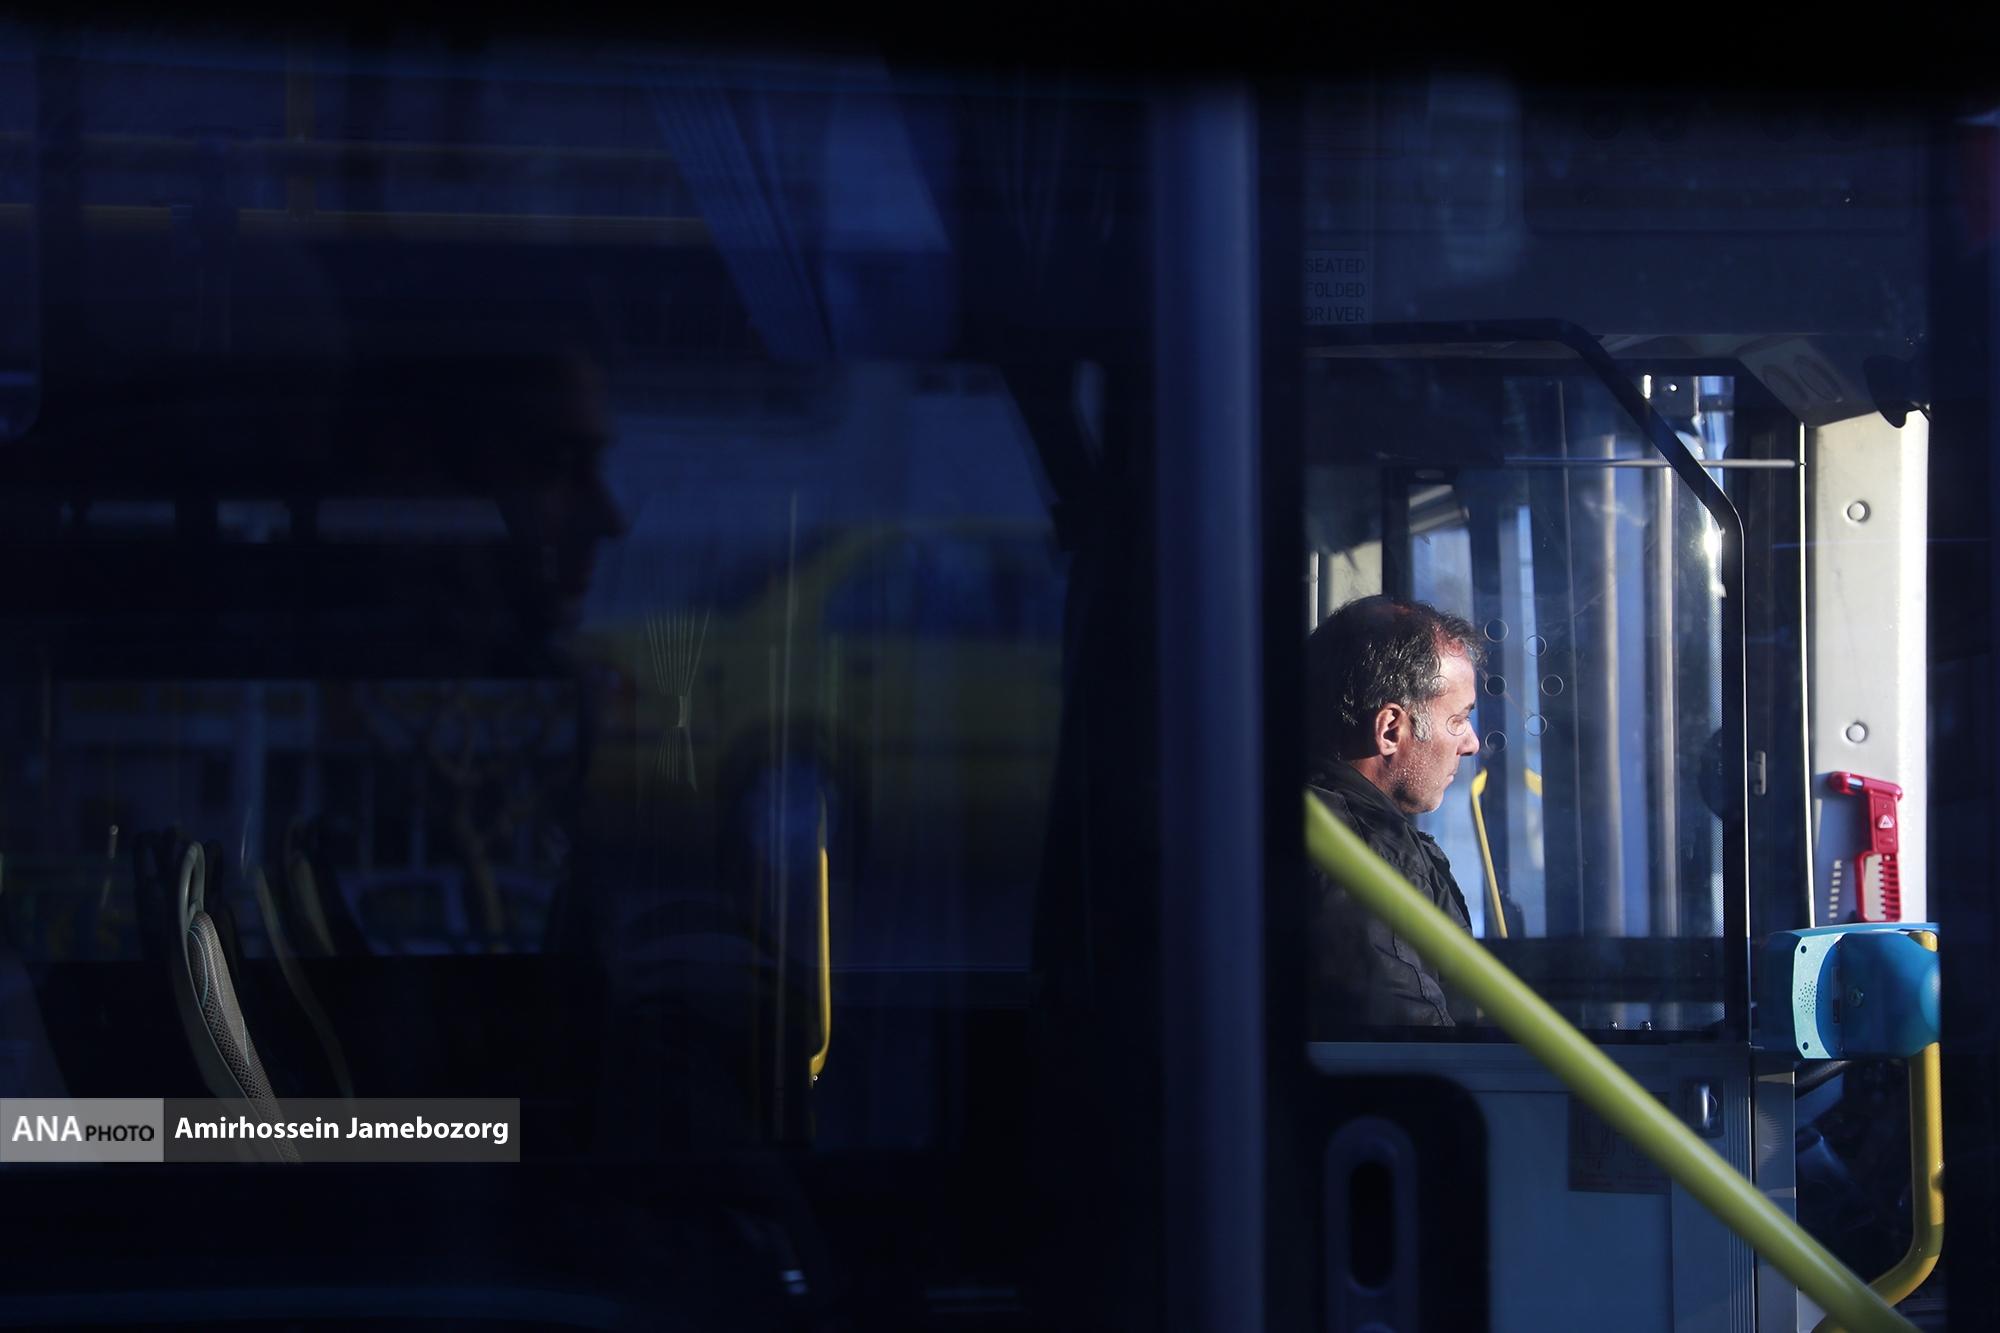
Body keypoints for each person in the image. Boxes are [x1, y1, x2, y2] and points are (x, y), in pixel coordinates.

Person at [1306, 594, 1483, 1030]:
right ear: (1389, 729)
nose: (1472, 743)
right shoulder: (1358, 864)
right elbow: (1417, 1044)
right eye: (1458, 720)